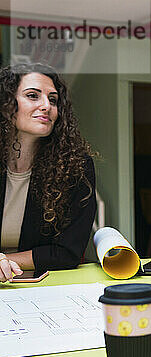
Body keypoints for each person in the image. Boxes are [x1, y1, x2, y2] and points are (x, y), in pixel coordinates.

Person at [0, 63, 97, 283]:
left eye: (53, 100)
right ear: (6, 105)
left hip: (42, 287)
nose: (46, 106)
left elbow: (68, 253)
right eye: (32, 96)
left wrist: (4, 259)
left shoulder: (76, 168)